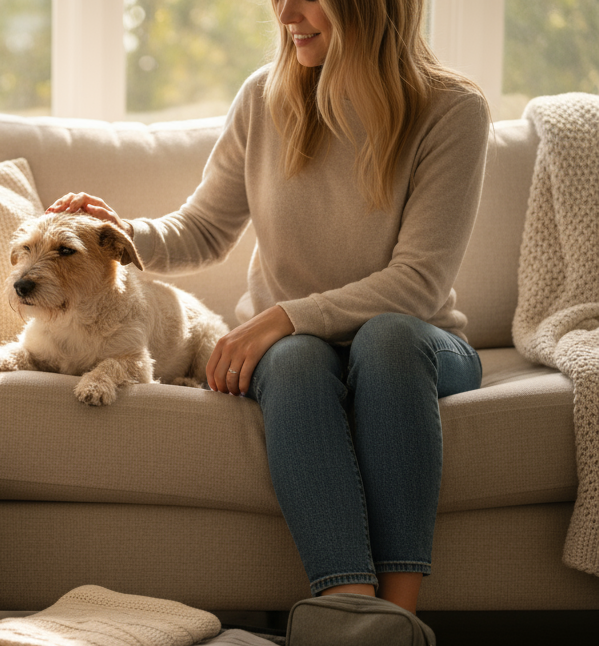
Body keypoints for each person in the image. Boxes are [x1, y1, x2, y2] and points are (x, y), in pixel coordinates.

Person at [47, 0, 490, 613]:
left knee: (386, 338)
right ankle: (350, 614)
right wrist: (118, 232)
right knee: (295, 361)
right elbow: (203, 228)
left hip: (419, 347)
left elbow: (417, 283)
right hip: (300, 350)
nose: (285, 11)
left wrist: (280, 317)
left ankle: (400, 622)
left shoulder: (452, 109)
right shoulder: (265, 97)